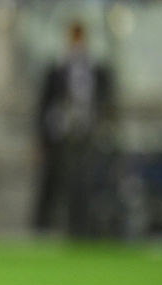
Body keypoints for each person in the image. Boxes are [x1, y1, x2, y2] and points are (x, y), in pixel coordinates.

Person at [33, 21, 114, 237]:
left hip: (85, 132)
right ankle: (43, 227)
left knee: (83, 181)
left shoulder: (95, 69)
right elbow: (44, 104)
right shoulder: (57, 69)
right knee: (53, 180)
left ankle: (80, 226)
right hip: (60, 132)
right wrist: (41, 139)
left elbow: (103, 101)